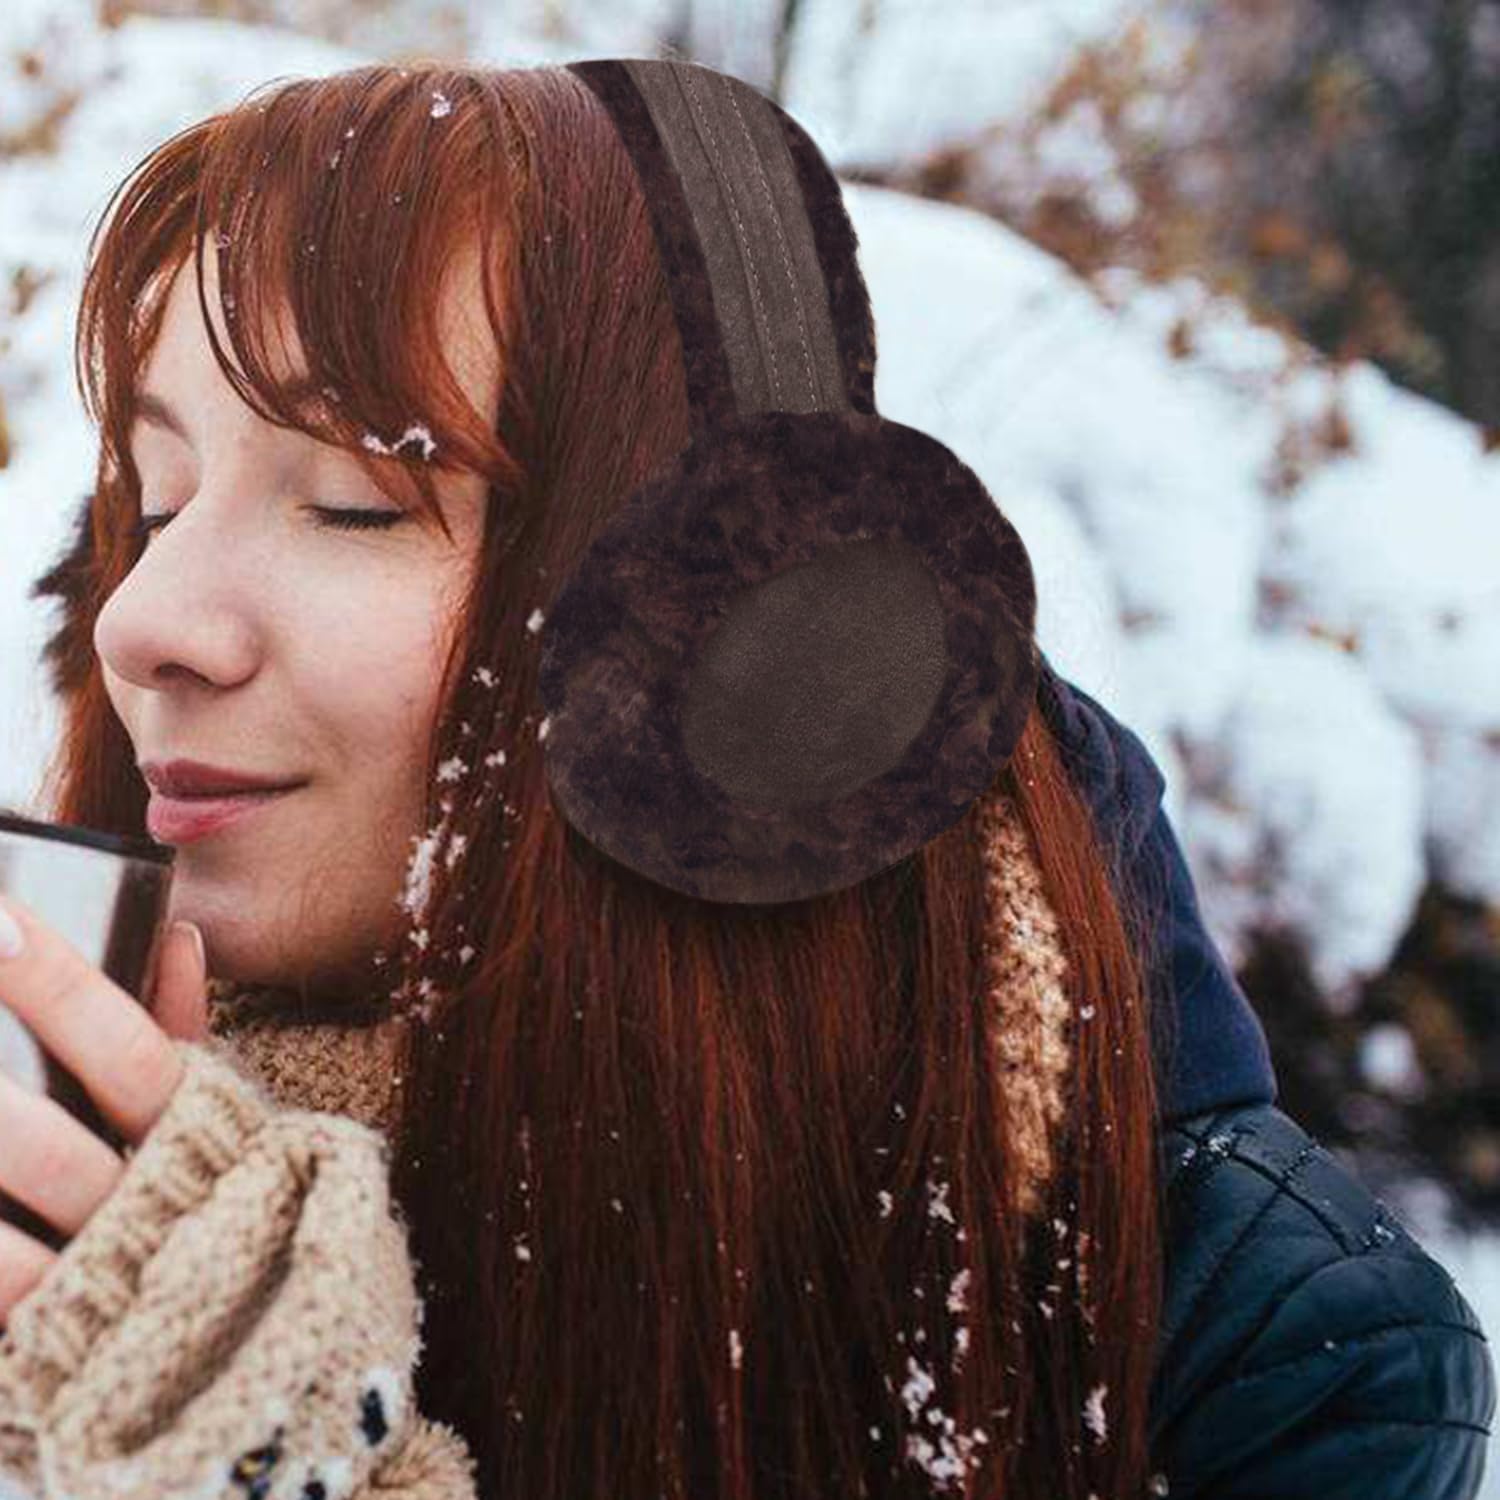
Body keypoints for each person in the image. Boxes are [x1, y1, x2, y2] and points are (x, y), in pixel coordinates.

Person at [0, 58, 1490, 1500]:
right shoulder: (58, 1192)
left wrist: (273, 1459)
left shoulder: (1261, 1364)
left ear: (726, 652)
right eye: (159, 502)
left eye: (352, 502)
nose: (139, 621)